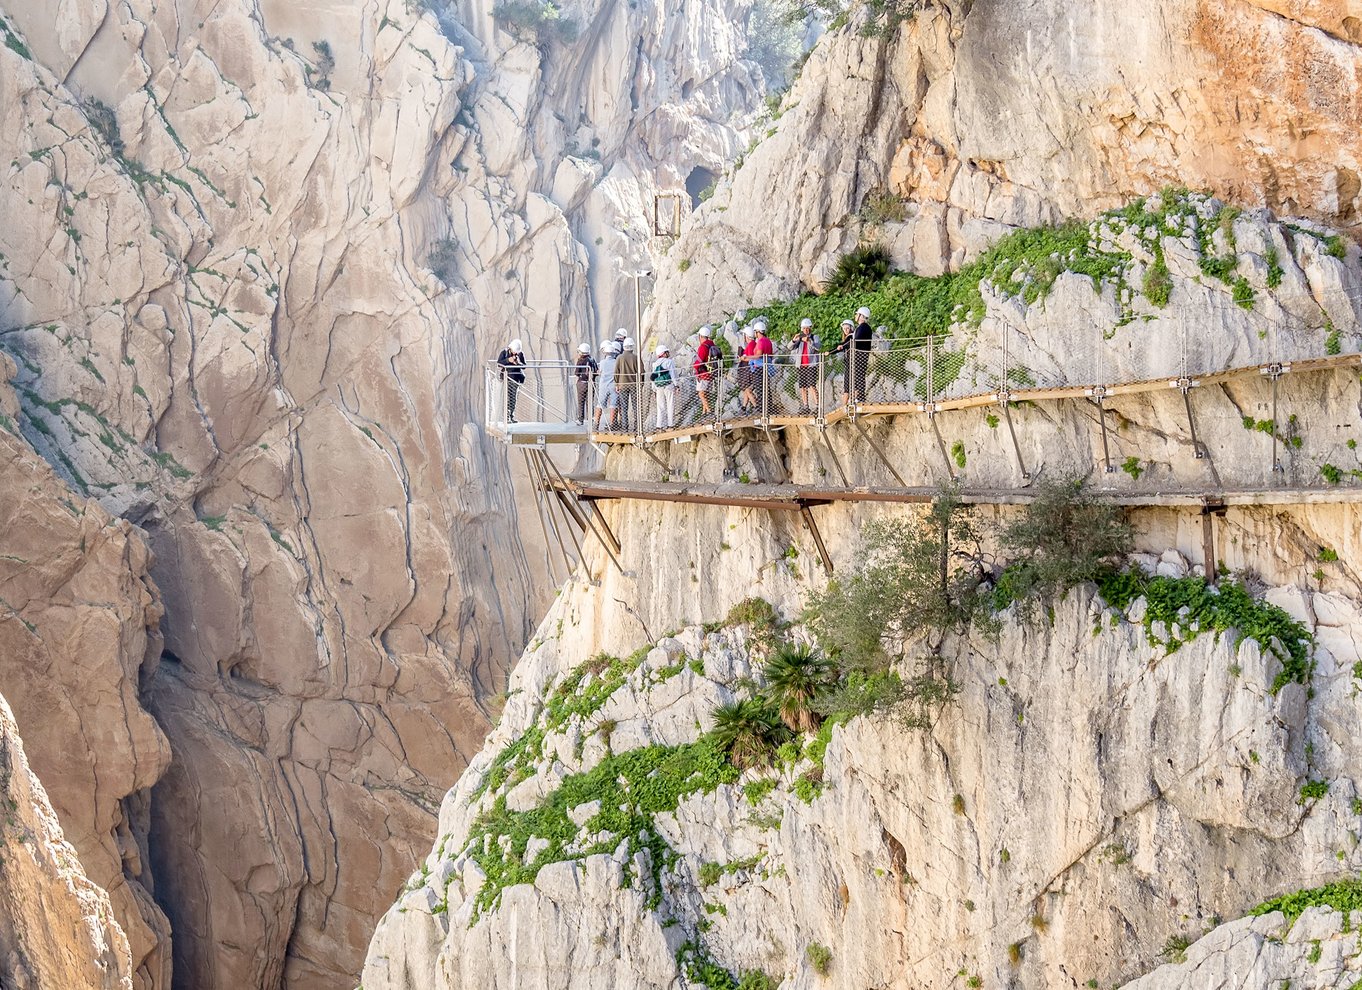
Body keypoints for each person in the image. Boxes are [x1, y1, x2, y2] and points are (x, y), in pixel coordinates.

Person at [788, 317, 821, 414]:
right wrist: (794, 340)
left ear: (810, 328)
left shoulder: (814, 337)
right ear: (801, 329)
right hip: (801, 365)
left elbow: (818, 347)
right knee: (803, 386)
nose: (806, 330)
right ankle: (806, 406)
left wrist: (809, 341)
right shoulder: (800, 338)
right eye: (804, 328)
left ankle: (818, 406)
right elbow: (789, 347)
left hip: (811, 365)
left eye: (807, 328)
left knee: (812, 385)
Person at [614, 337, 642, 432]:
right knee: (636, 406)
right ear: (632, 346)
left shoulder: (619, 358)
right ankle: (637, 426)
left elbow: (616, 372)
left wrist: (617, 384)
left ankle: (624, 427)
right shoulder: (636, 358)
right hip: (634, 384)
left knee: (624, 406)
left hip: (622, 385)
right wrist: (641, 384)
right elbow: (641, 371)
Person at [693, 325, 720, 420]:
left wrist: (694, 367)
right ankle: (703, 413)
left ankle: (709, 411)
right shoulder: (712, 345)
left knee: (701, 394)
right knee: (705, 393)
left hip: (703, 373)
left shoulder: (703, 347)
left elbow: (699, 361)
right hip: (711, 372)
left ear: (700, 336)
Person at [496, 338, 526, 423]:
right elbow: (499, 363)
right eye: (514, 351)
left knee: (513, 398)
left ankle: (511, 416)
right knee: (507, 398)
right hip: (506, 378)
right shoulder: (504, 353)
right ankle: (506, 417)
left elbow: (524, 366)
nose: (515, 353)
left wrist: (518, 363)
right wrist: (508, 360)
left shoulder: (520, 354)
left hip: (515, 379)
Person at [594, 339, 620, 431]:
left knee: (600, 404)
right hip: (613, 385)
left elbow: (599, 372)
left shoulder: (602, 362)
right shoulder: (616, 362)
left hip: (603, 386)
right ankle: (612, 424)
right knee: (613, 405)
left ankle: (596, 424)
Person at [650, 344, 677, 429]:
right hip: (668, 385)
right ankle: (670, 425)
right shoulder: (669, 362)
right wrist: (676, 385)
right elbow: (673, 374)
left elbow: (653, 378)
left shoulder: (654, 364)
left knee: (660, 406)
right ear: (664, 353)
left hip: (658, 387)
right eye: (666, 352)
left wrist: (654, 389)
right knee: (670, 404)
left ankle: (659, 425)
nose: (668, 353)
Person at [752, 319, 776, 415]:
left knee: (759, 388)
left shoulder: (761, 342)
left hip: (760, 367)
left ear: (757, 332)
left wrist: (747, 358)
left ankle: (762, 409)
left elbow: (758, 355)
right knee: (766, 387)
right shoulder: (768, 341)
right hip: (767, 367)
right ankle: (769, 407)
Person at [572, 343, 597, 425]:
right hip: (591, 383)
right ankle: (591, 419)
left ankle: (580, 420)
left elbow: (577, 373)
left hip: (582, 384)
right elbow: (596, 371)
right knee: (590, 402)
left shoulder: (580, 361)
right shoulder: (592, 360)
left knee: (581, 401)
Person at [737, 325, 758, 413]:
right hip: (751, 371)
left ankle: (757, 407)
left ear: (746, 336)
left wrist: (741, 358)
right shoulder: (753, 344)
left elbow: (750, 358)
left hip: (749, 372)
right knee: (746, 390)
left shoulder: (750, 345)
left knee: (747, 390)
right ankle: (744, 407)